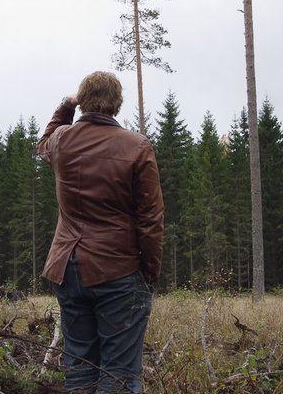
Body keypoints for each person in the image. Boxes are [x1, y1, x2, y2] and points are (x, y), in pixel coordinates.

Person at [37, 71, 164, 393]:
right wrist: (149, 271)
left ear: (82, 102)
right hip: (117, 269)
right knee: (119, 373)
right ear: (117, 103)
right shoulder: (137, 146)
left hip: (67, 266)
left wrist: (65, 107)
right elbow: (150, 218)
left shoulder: (63, 140)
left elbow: (43, 142)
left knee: (80, 369)